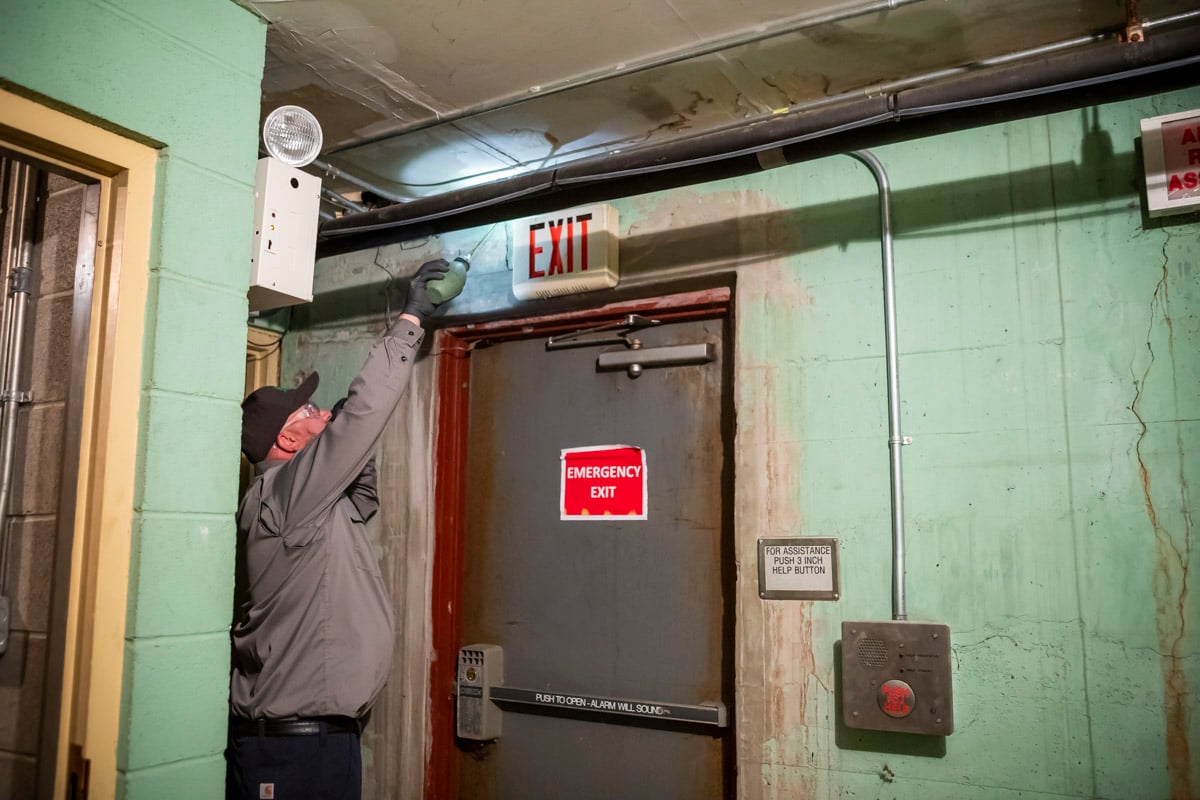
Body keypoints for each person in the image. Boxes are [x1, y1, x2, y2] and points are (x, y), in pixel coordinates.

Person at [226, 258, 450, 800]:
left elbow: (362, 492)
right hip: (291, 749)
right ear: (284, 444)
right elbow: (362, 422)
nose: (317, 408)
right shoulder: (286, 494)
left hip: (319, 741)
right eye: (305, 411)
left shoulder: (312, 502)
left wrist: (342, 425)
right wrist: (411, 321)